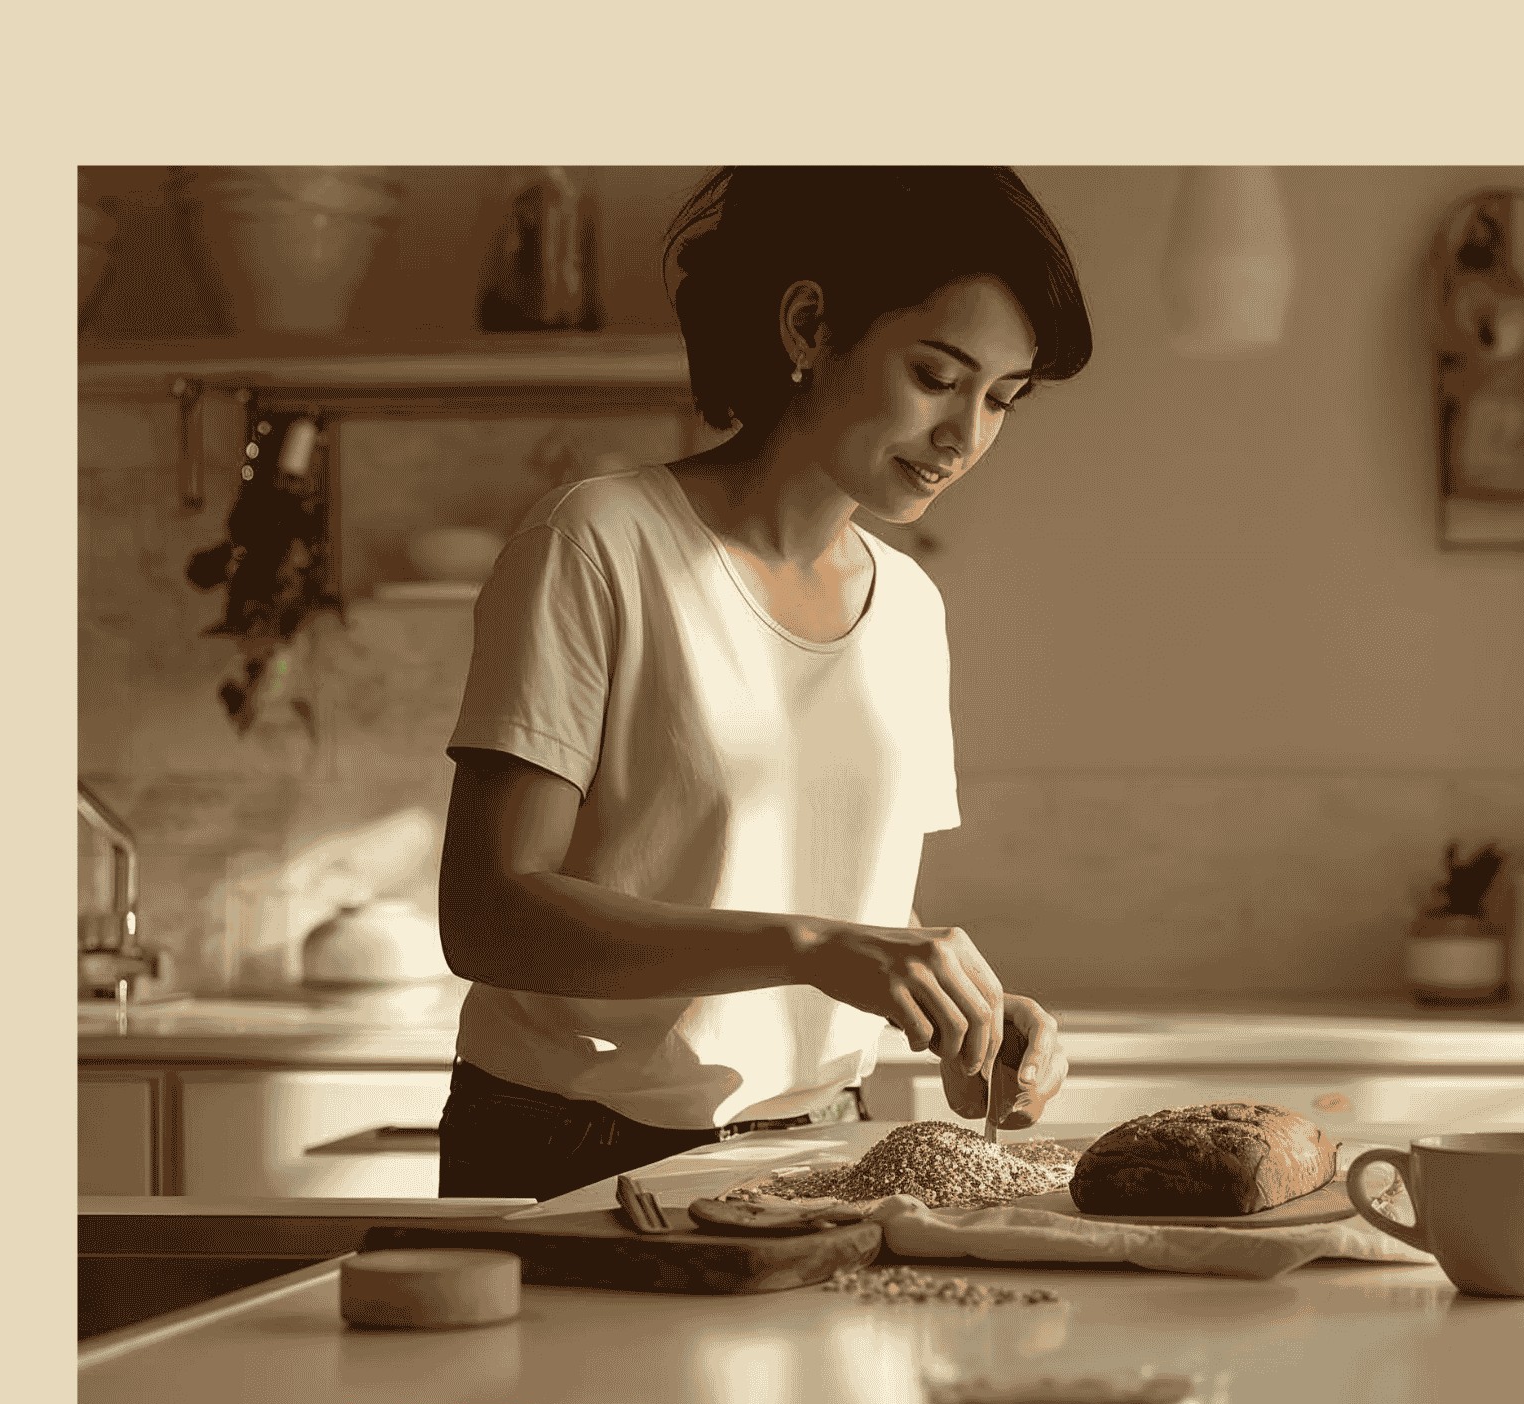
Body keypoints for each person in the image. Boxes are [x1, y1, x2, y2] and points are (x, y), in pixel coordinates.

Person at [431, 167, 1090, 1203]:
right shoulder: (598, 541)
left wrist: (964, 1008)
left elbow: (850, 898)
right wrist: (819, 949)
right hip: (572, 1150)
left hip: (824, 1153)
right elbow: (488, 914)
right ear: (810, 323)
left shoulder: (911, 608)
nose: (965, 436)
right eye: (935, 375)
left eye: (1002, 399)